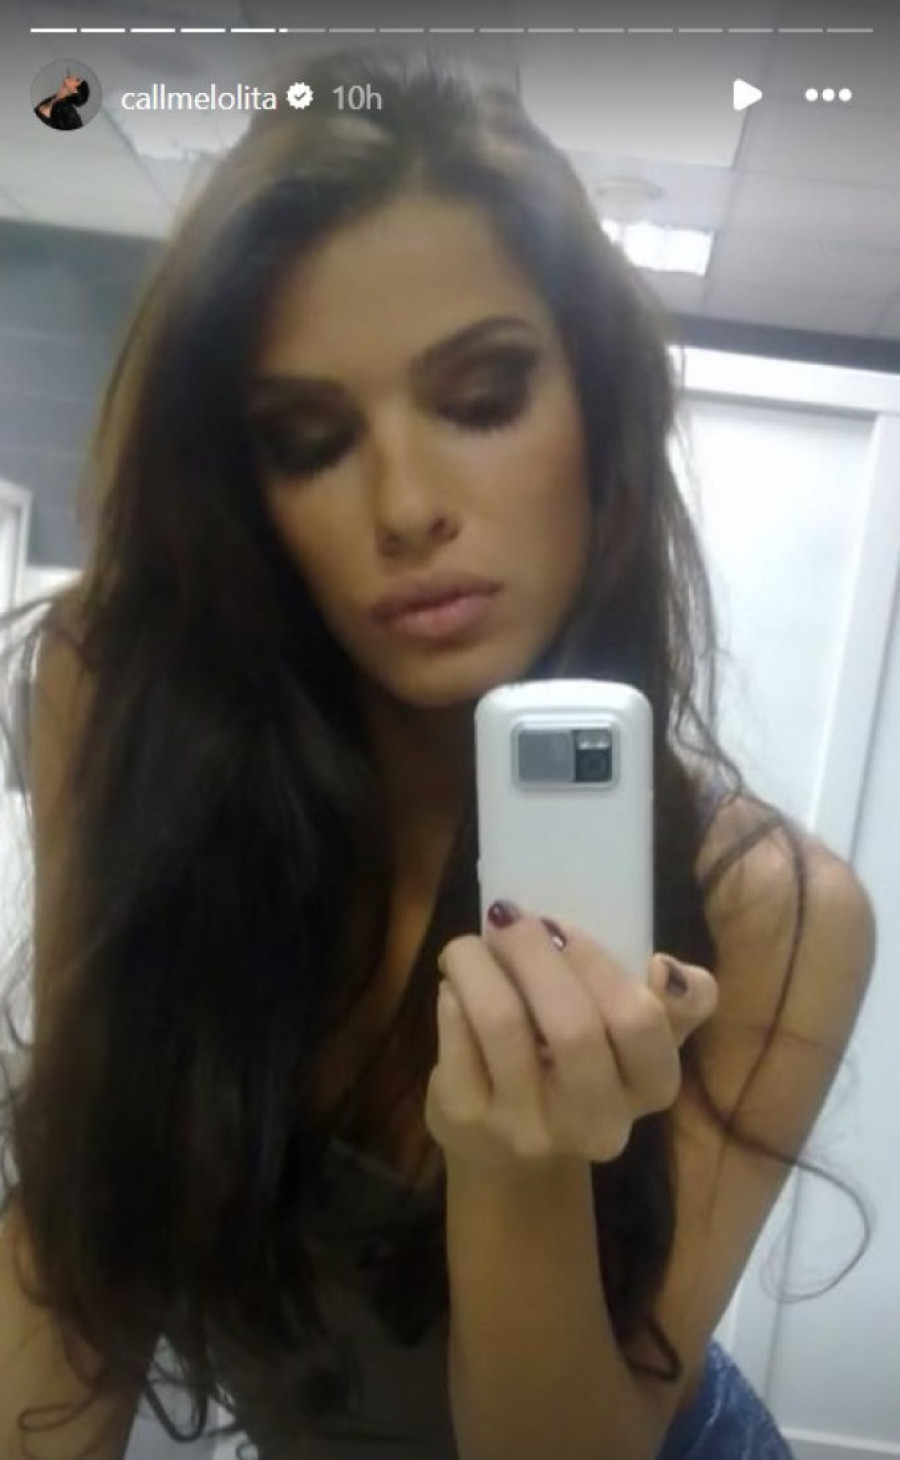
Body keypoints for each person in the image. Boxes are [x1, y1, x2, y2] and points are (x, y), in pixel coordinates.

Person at [0, 45, 876, 1460]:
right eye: (307, 438)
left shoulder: (776, 912)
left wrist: (522, 1174)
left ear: (601, 416)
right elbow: (80, 1238)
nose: (406, 505)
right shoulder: (118, 715)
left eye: (480, 398)